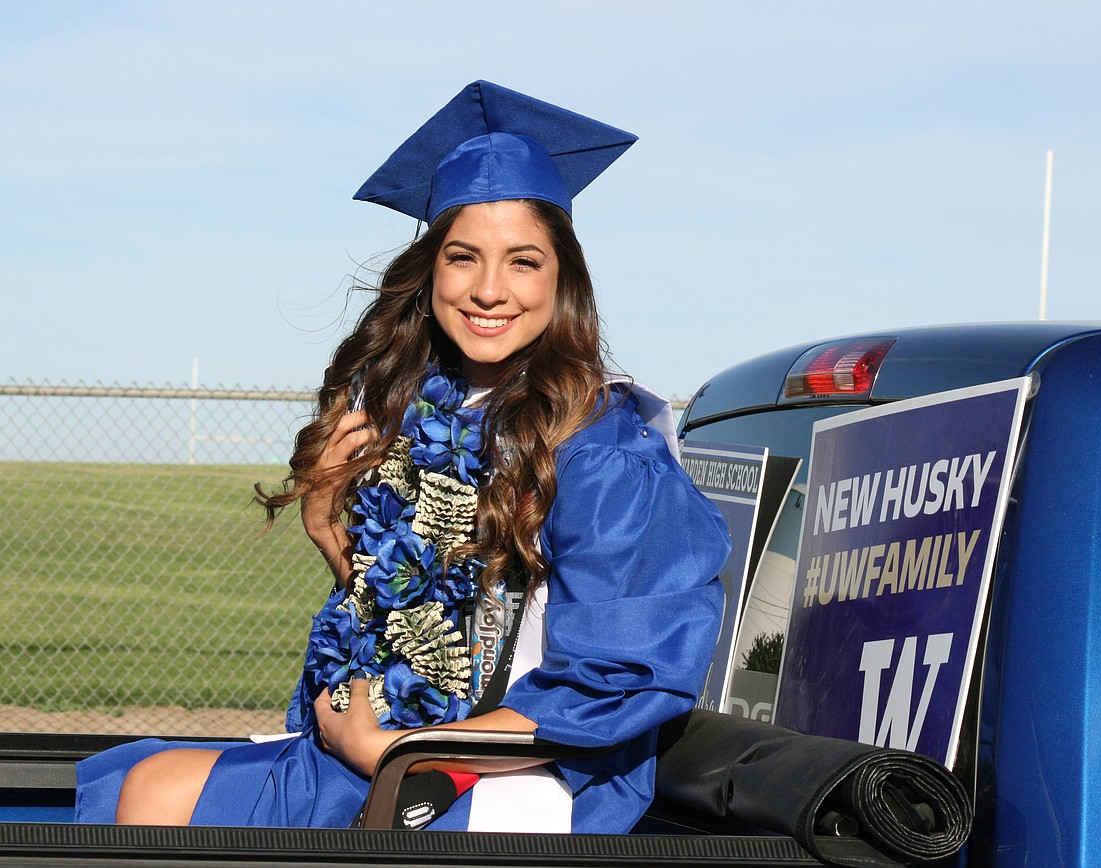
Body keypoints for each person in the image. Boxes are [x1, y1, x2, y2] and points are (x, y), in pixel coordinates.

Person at [74, 80, 730, 834]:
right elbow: (424, 622)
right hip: (417, 735)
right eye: (462, 258)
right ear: (432, 273)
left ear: (563, 279)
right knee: (152, 785)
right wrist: (337, 543)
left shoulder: (604, 448)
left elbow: (615, 683)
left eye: (522, 261)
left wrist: (401, 747)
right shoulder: (427, 412)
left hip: (532, 768)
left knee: (165, 796)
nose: (489, 289)